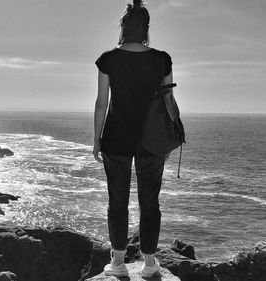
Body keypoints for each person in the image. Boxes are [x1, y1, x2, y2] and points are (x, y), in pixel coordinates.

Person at [92, 0, 174, 278]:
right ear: (146, 28)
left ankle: (118, 262)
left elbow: (102, 102)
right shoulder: (161, 59)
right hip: (151, 141)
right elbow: (169, 101)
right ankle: (150, 263)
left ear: (123, 28)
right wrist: (172, 138)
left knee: (117, 201)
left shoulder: (109, 59)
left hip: (115, 139)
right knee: (150, 201)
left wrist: (96, 139)